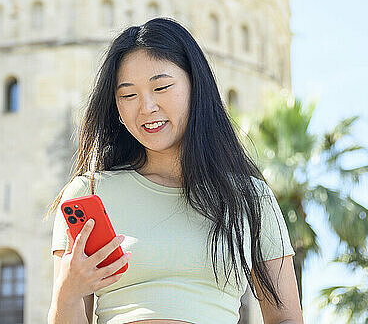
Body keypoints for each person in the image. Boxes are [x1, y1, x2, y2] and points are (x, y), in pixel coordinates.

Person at [45, 17, 303, 324]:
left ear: (195, 85)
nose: (147, 107)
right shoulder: (88, 193)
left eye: (162, 87)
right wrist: (69, 290)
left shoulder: (249, 196)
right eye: (128, 95)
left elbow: (286, 318)